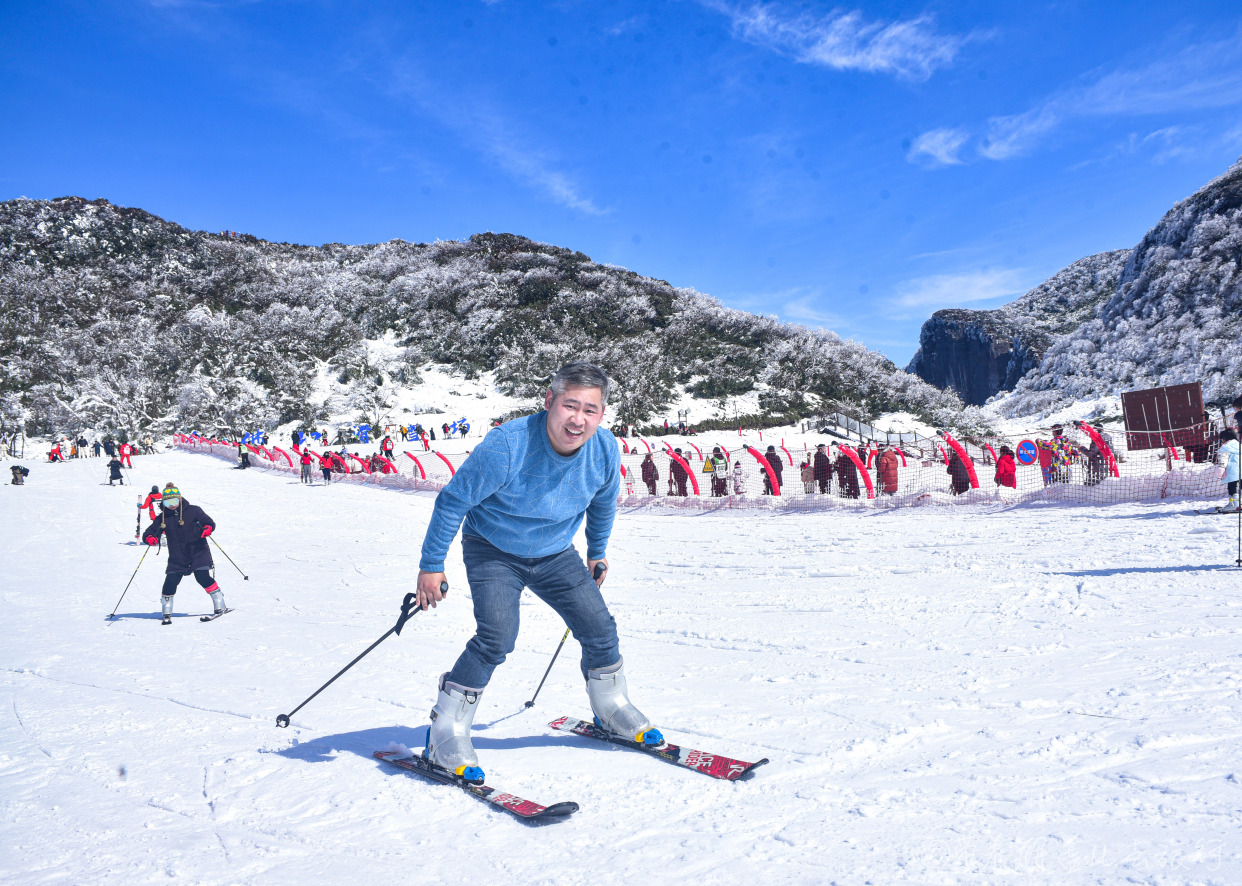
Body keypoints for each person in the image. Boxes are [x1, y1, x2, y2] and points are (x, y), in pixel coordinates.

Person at [412, 361, 657, 783]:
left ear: (602, 414)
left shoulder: (603, 449)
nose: (578, 419)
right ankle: (446, 731)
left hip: (555, 552)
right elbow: (453, 502)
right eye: (569, 406)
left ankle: (611, 708)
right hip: (493, 550)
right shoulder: (507, 445)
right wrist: (432, 566)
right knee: (497, 637)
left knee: (600, 629)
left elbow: (601, 504)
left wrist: (596, 552)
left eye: (590, 410)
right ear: (549, 402)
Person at [143, 484, 226, 625]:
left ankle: (220, 603)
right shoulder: (163, 518)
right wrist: (150, 538)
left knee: (203, 577)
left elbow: (208, 522)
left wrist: (208, 528)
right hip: (177, 555)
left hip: (198, 551)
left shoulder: (193, 511)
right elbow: (149, 531)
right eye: (168, 503)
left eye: (174, 501)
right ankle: (166, 610)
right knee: (170, 582)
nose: (172, 505)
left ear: (180, 499)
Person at [1218, 429, 1240, 510]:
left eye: (1221, 439)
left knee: (1232, 488)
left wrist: (1220, 469)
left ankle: (1234, 505)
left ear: (1225, 438)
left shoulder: (1225, 447)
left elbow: (1223, 459)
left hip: (1233, 471)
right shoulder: (1239, 445)